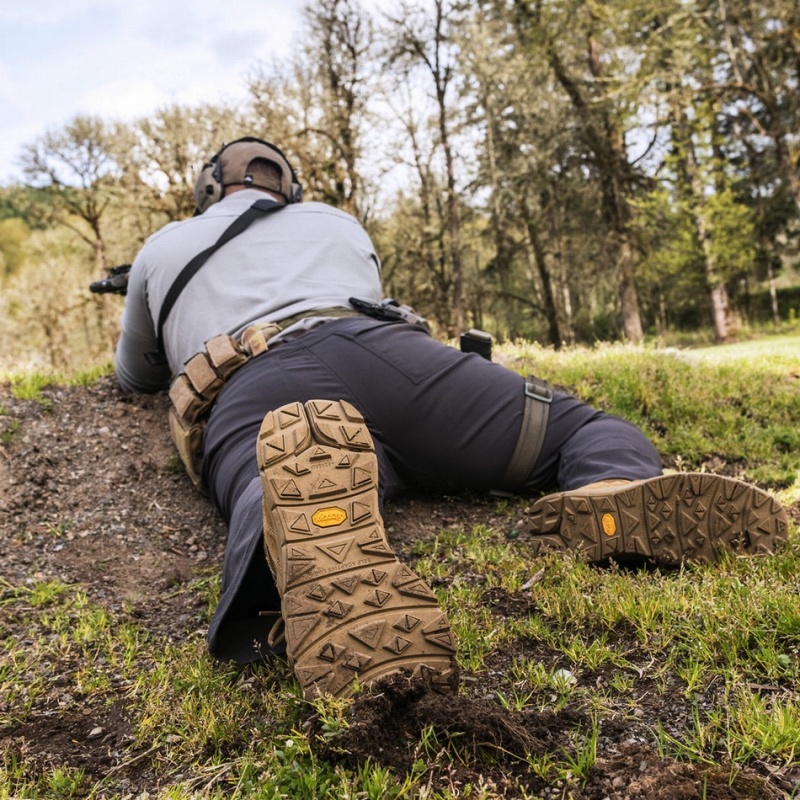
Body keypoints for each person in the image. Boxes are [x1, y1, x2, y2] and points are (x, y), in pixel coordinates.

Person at [115, 136, 789, 700]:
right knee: (581, 429)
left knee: (278, 476)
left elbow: (136, 375)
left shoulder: (165, 244)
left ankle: (296, 544)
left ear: (209, 189)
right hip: (395, 360)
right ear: (288, 187)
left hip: (256, 379)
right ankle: (606, 486)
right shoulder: (336, 222)